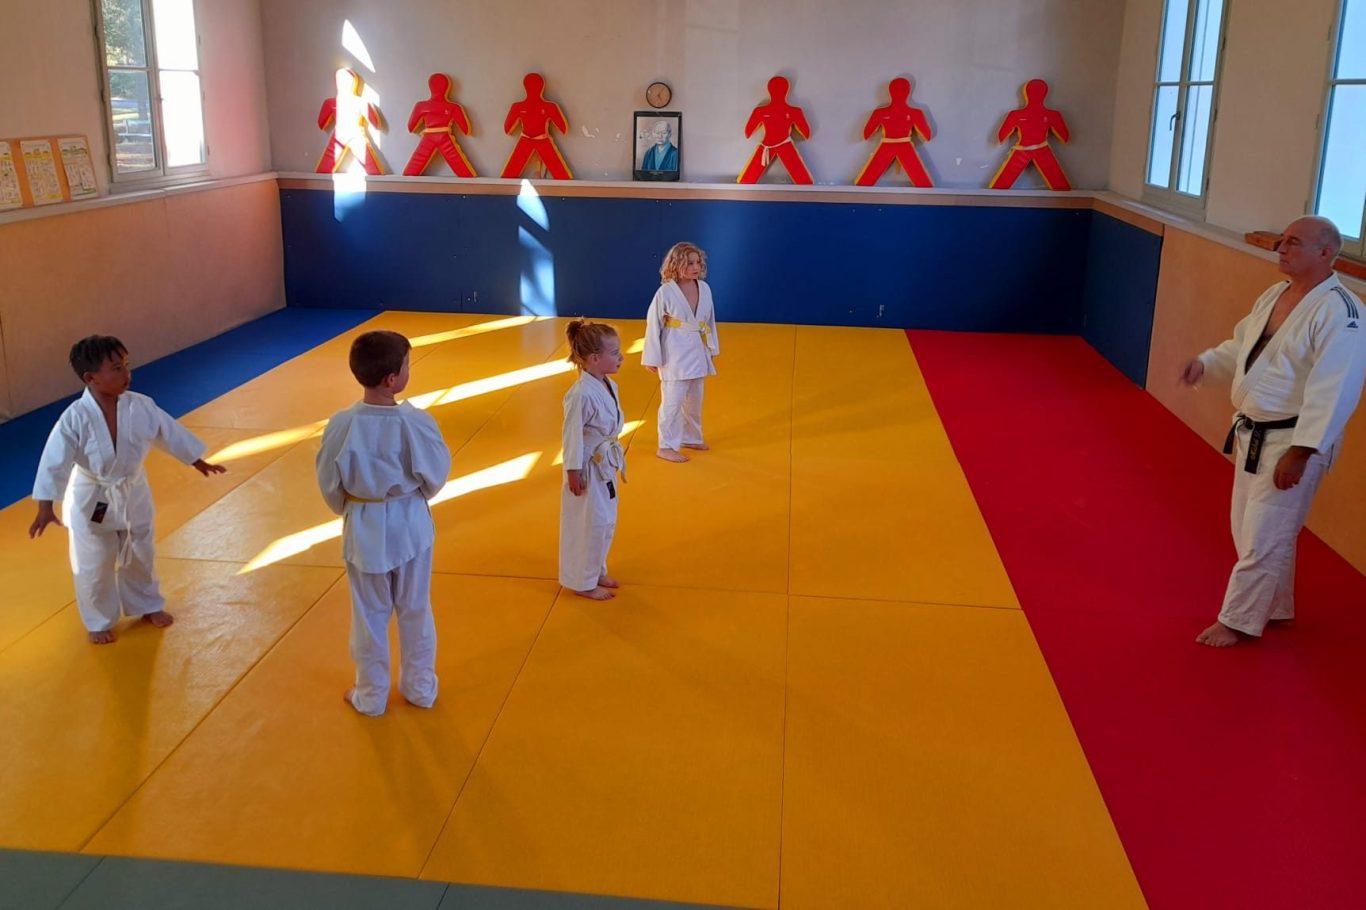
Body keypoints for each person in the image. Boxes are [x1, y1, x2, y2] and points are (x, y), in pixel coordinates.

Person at [1180, 216, 1364, 647]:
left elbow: (1336, 390)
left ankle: (1237, 621)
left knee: (1264, 535)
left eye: (1293, 242)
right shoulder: (1276, 294)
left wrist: (1302, 451)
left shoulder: (1342, 312)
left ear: (1325, 253)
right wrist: (1208, 364)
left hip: (1292, 439)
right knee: (1251, 529)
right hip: (1253, 433)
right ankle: (1277, 607)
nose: (1280, 248)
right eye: (1281, 240)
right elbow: (1243, 346)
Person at [29, 335, 226, 644]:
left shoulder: (141, 405)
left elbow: (167, 432)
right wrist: (45, 507)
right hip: (92, 497)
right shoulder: (75, 418)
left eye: (126, 365)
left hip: (132, 492)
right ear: (91, 378)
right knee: (93, 562)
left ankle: (147, 605)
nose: (127, 374)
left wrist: (196, 460)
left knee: (140, 552)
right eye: (117, 368)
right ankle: (98, 620)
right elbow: (55, 461)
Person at [316, 331, 451, 715]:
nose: (409, 369)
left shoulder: (342, 424)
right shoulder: (416, 423)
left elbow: (329, 482)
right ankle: (420, 689)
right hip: (410, 523)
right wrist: (412, 495)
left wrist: (349, 507)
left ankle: (371, 695)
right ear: (393, 379)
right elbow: (435, 475)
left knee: (369, 614)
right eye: (408, 364)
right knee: (415, 608)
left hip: (364, 525)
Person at [559, 320, 626, 601]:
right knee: (590, 524)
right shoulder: (581, 394)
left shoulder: (608, 384)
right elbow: (571, 435)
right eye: (615, 353)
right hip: (586, 468)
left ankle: (597, 570)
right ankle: (583, 581)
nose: (621, 357)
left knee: (606, 520)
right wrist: (573, 471)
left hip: (605, 464)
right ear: (595, 359)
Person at [643, 242, 720, 463]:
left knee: (695, 401)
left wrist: (712, 346)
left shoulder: (704, 288)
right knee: (672, 402)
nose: (695, 267)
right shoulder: (666, 292)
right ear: (676, 265)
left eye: (698, 263)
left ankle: (691, 437)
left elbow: (709, 320)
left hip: (697, 349)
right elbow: (653, 324)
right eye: (689, 263)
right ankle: (665, 446)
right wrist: (651, 357)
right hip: (674, 353)